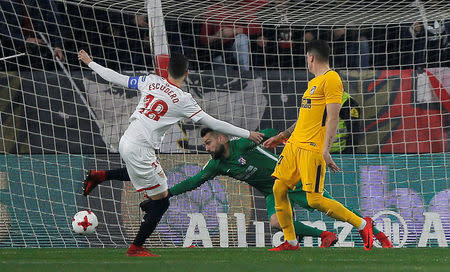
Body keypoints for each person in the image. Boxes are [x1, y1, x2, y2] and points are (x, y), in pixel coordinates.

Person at [78, 50, 264, 257]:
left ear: (166, 70)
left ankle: (100, 176)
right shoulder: (184, 100)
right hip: (140, 148)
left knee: (149, 182)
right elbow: (212, 123)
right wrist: (247, 133)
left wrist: (91, 62)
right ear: (186, 73)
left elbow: (117, 78)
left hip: (127, 139)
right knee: (162, 201)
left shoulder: (151, 81)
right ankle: (136, 247)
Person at [83, 128, 393, 248]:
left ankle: (371, 228)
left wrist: (284, 137)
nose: (206, 148)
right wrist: (165, 195)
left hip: (292, 178)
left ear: (220, 138)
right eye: (203, 145)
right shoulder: (217, 164)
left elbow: (274, 135)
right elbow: (193, 181)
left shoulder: (243, 143)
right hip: (274, 192)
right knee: (274, 222)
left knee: (320, 204)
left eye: (208, 142)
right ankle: (323, 235)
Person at [262, 40, 374, 251]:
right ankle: (292, 242)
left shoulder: (332, 79)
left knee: (314, 200)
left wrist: (326, 149)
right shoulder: (314, 82)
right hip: (294, 145)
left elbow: (333, 117)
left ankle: (362, 224)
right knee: (278, 188)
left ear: (310, 57)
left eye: (307, 58)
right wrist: (282, 136)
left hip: (312, 147)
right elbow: (305, 117)